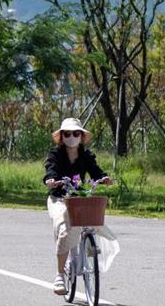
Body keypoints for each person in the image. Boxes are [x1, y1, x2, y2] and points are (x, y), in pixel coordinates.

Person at [43, 118, 113, 295]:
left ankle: (88, 251)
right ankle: (60, 275)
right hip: (59, 199)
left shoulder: (86, 155)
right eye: (67, 134)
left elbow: (95, 171)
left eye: (76, 133)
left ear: (81, 137)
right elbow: (50, 170)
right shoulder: (55, 155)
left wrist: (103, 178)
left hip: (78, 198)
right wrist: (51, 180)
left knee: (90, 223)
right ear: (61, 137)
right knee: (65, 229)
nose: (72, 137)